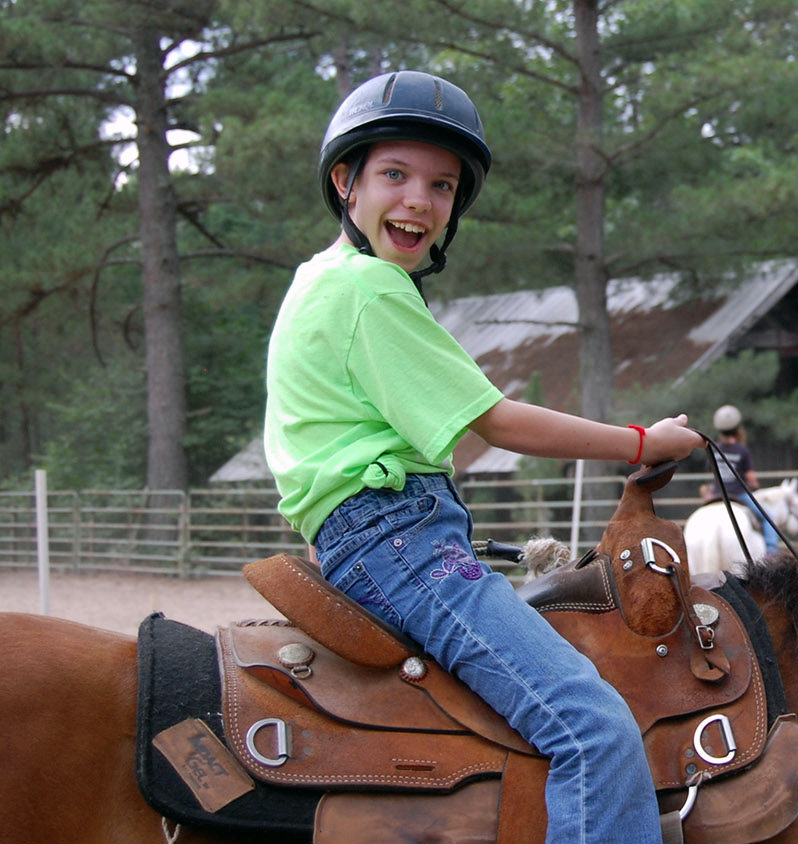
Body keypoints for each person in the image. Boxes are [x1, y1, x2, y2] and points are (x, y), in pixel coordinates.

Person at [263, 70, 701, 844]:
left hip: (376, 540)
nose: (419, 202)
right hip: (401, 546)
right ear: (346, 181)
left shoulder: (316, 283)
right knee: (594, 726)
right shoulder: (370, 290)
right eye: (394, 175)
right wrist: (645, 441)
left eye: (442, 185)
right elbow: (499, 421)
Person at [708, 404, 779, 554]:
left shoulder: (713, 448)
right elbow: (751, 479)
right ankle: (772, 551)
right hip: (739, 495)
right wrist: (755, 485)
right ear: (736, 427)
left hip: (717, 495)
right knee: (769, 518)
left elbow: (712, 471)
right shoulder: (742, 450)